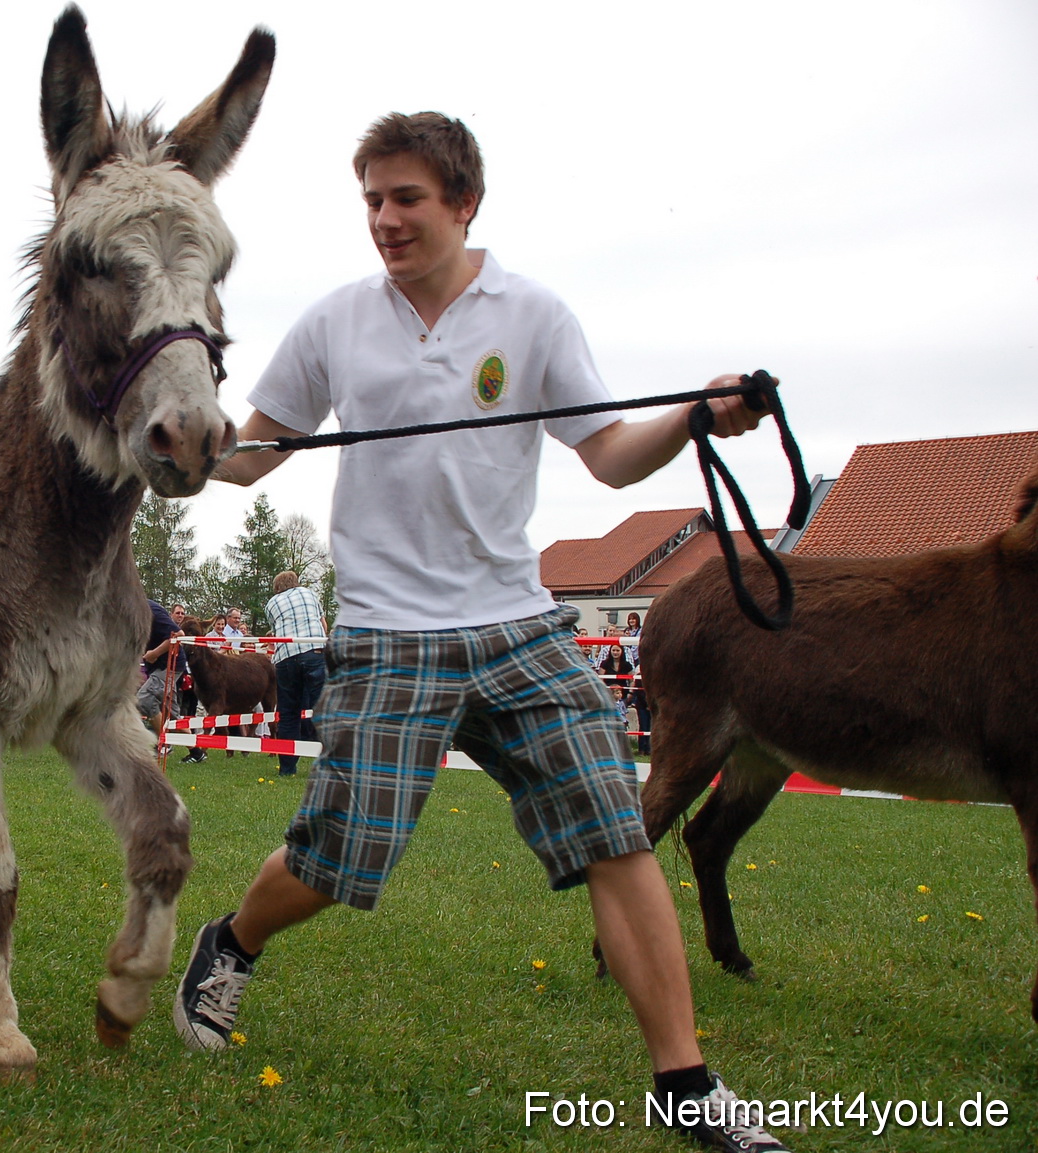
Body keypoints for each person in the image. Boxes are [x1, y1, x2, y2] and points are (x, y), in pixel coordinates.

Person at [171, 112, 788, 1153]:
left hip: (514, 621)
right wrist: (189, 447)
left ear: (464, 202)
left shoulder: (534, 315)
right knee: (336, 857)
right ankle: (229, 942)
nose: (385, 218)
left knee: (614, 824)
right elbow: (256, 454)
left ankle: (684, 1082)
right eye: (371, 198)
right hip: (386, 629)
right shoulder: (335, 324)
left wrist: (693, 414)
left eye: (405, 197)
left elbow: (610, 457)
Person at [263, 570, 327, 777]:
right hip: (313, 652)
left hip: (286, 658)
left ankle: (287, 769)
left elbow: (275, 632)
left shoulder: (271, 603)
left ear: (277, 588)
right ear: (296, 582)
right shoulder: (310, 594)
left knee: (289, 714)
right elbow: (322, 624)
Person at [135, 599, 184, 748]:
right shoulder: (132, 613)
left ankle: (164, 744)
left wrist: (155, 653)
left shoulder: (152, 610)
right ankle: (196, 751)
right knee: (171, 711)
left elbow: (178, 634)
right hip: (157, 667)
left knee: (144, 700)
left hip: (169, 666)